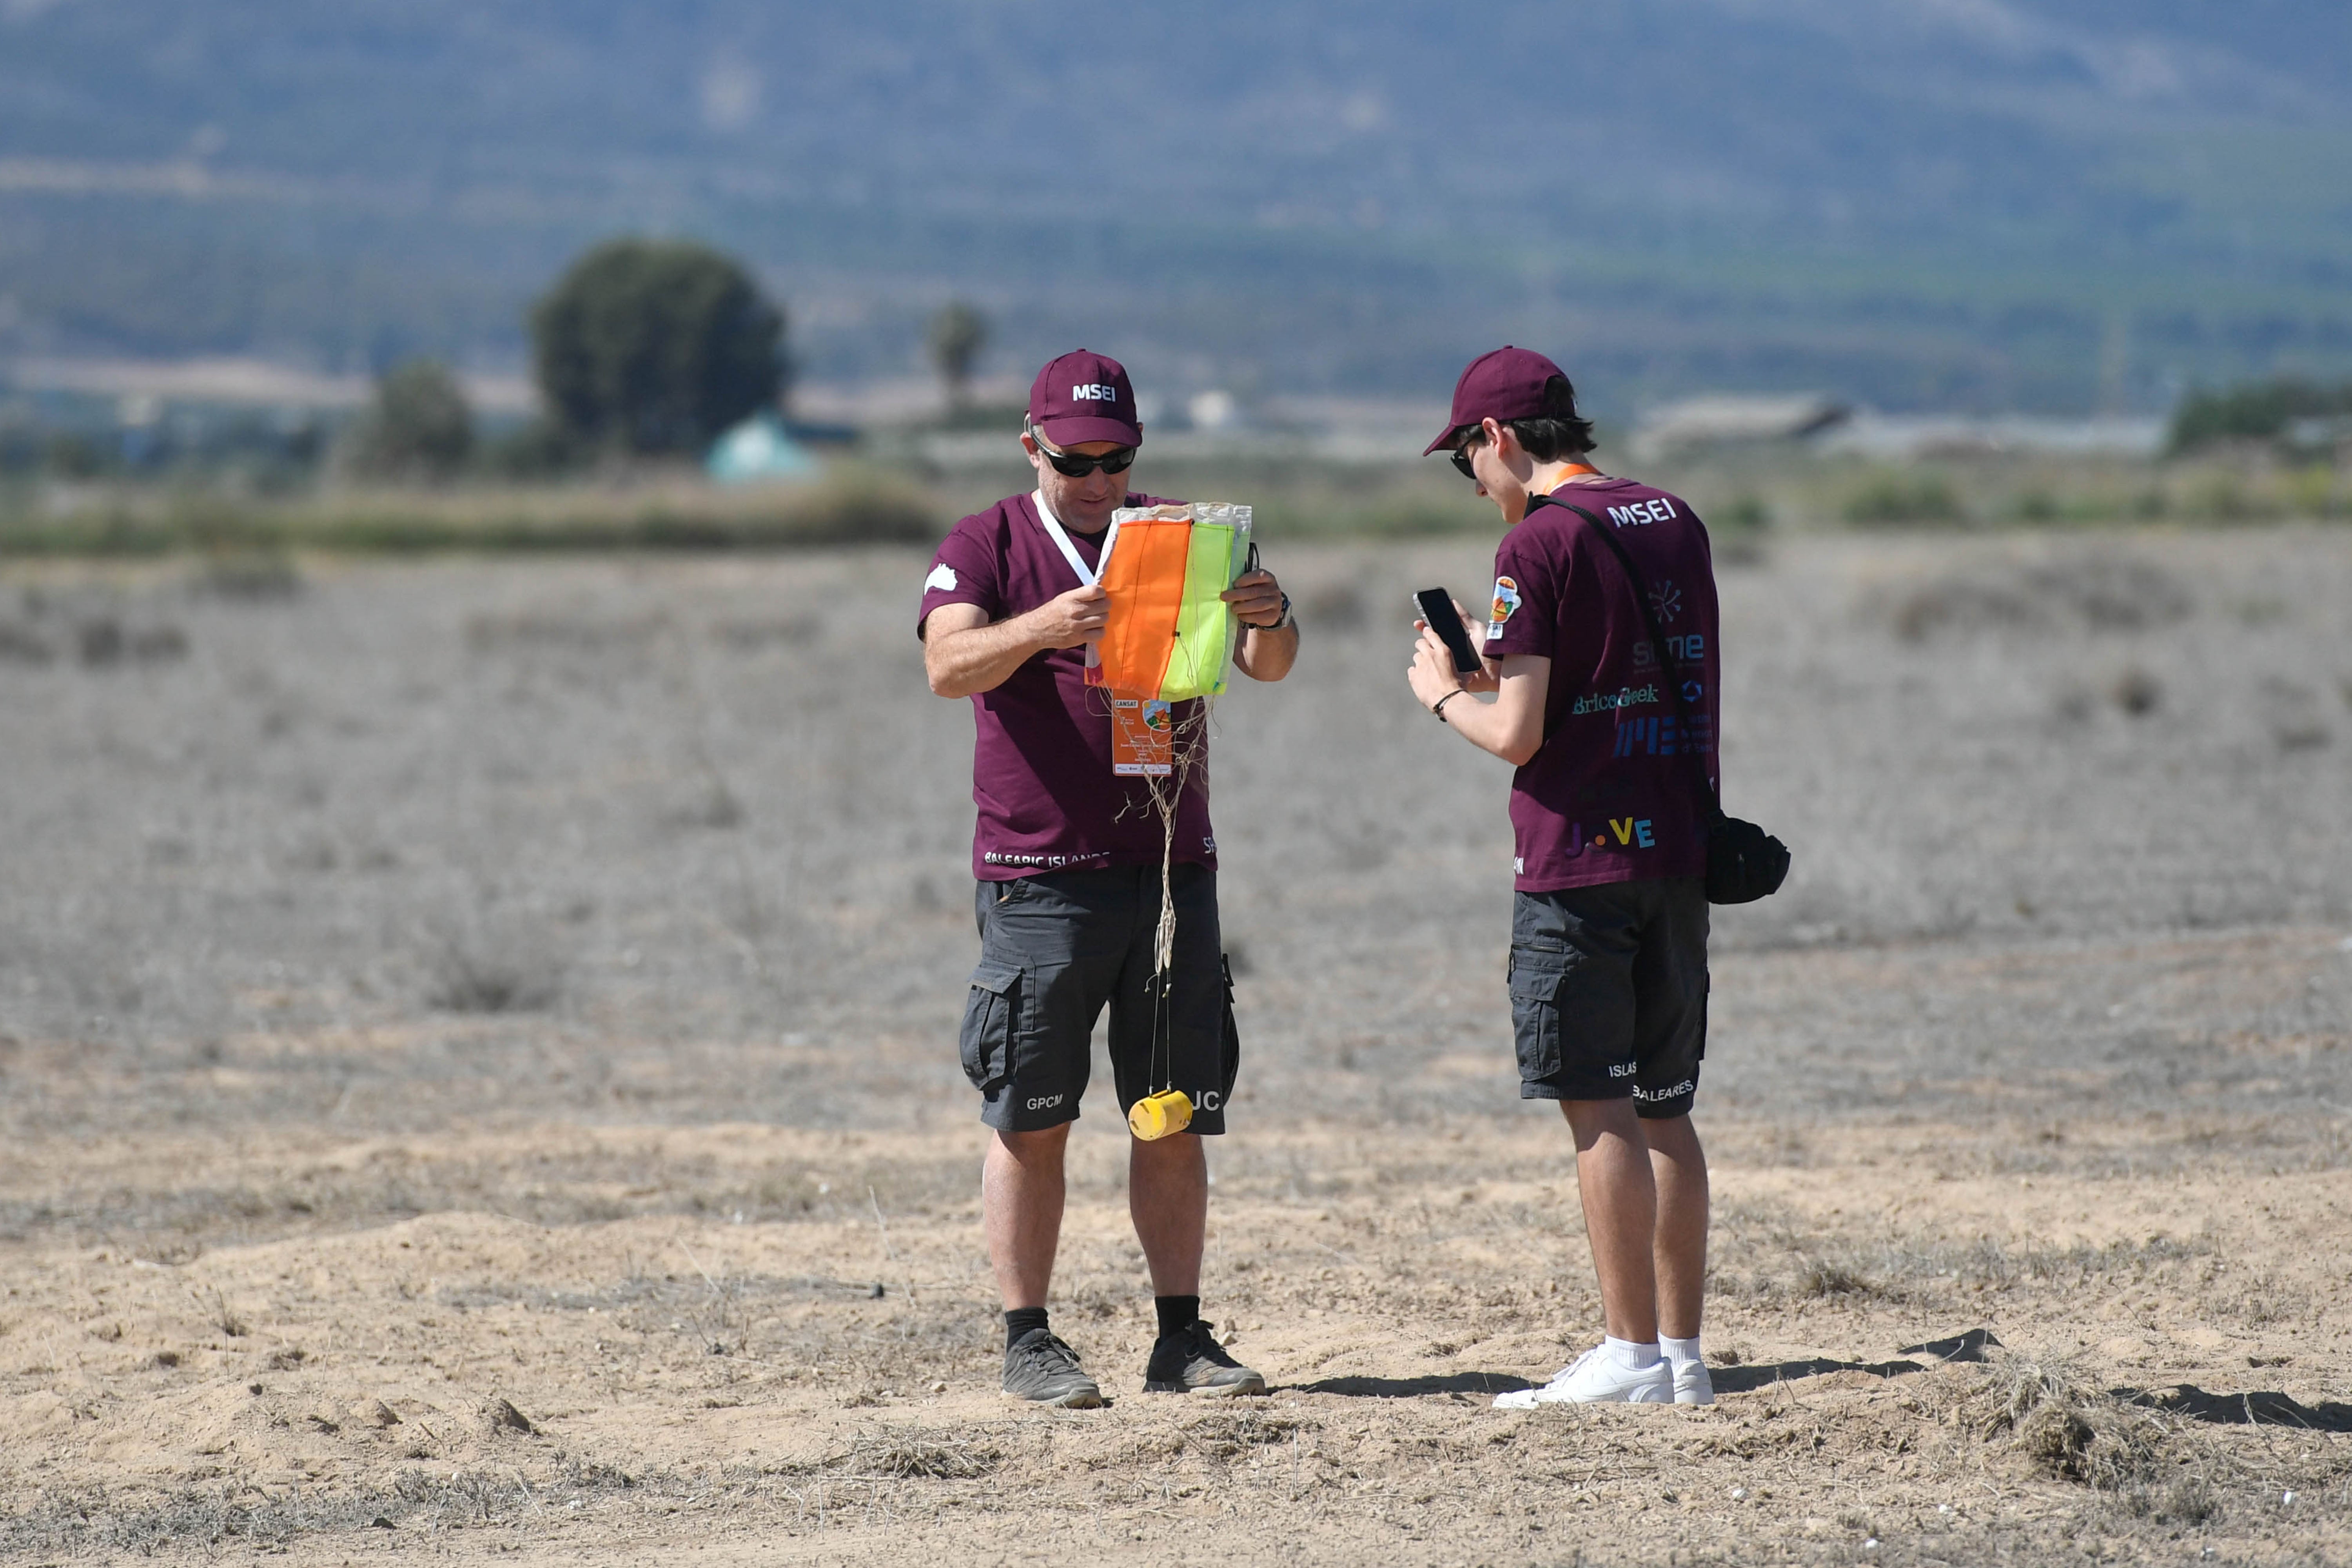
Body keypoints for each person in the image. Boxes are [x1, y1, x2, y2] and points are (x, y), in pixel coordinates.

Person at [918, 350, 1299, 1407]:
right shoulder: (985, 543)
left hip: (1174, 874)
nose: (1097, 480)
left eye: (1117, 458)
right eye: (1075, 458)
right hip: (1043, 877)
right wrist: (1053, 624)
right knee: (1032, 1115)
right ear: (1031, 447)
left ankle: (1181, 1338)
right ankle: (1028, 1341)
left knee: (1170, 1112)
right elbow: (949, 666)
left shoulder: (1184, 532)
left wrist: (1268, 615)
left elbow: (1270, 665)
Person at [1404, 347, 1720, 1407]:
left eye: (1467, 461)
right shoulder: (1673, 517)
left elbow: (1517, 731)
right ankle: (1679, 1356)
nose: (1475, 483)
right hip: (1676, 848)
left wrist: (1443, 694)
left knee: (1600, 1112)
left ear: (1495, 438)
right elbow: (1618, 668)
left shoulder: (1534, 547)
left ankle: (1626, 1356)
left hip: (1578, 862)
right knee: (1668, 1107)